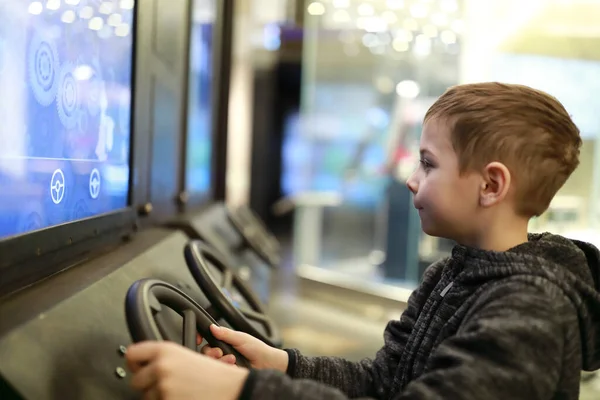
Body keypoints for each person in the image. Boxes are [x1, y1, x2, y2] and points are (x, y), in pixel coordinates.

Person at [126, 82, 600, 400]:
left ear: (491, 185)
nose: (412, 180)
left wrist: (241, 392)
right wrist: (282, 366)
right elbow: (384, 381)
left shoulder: (531, 310)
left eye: (429, 164)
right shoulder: (452, 273)